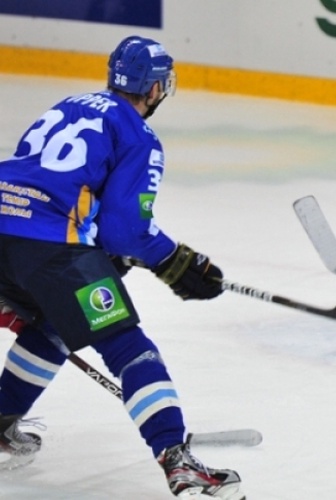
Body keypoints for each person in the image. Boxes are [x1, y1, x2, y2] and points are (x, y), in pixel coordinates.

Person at [0, 36, 245, 499]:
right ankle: (176, 458)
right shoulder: (139, 135)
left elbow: (42, 180)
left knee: (55, 320)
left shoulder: (69, 103)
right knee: (129, 349)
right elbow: (126, 230)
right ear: (154, 88)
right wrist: (175, 261)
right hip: (51, 247)